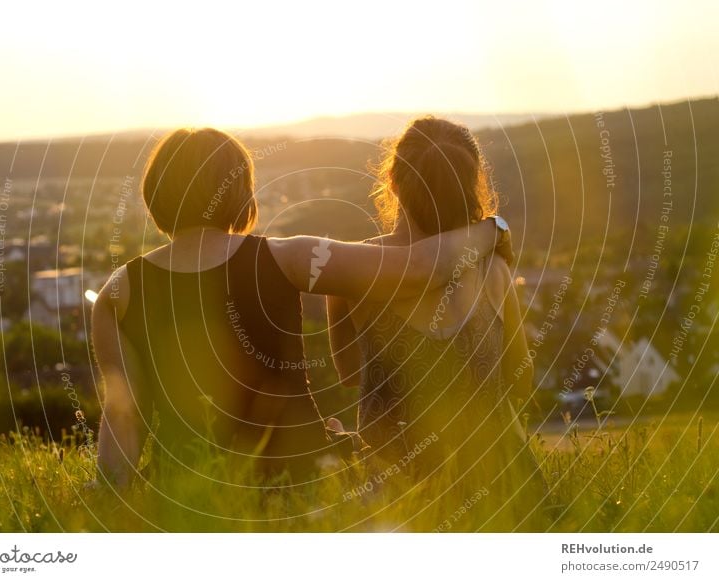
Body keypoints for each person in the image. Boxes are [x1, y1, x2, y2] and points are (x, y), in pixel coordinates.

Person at [91, 127, 510, 491]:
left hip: (189, 484)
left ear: (155, 194)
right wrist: (493, 229)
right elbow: (421, 268)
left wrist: (113, 496)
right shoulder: (287, 258)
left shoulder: (118, 293)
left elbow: (122, 417)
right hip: (301, 476)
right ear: (240, 192)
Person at [327, 117, 546, 530]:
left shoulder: (353, 275)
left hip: (398, 498)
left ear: (391, 180)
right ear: (471, 186)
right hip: (502, 491)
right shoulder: (495, 270)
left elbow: (350, 375)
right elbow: (520, 380)